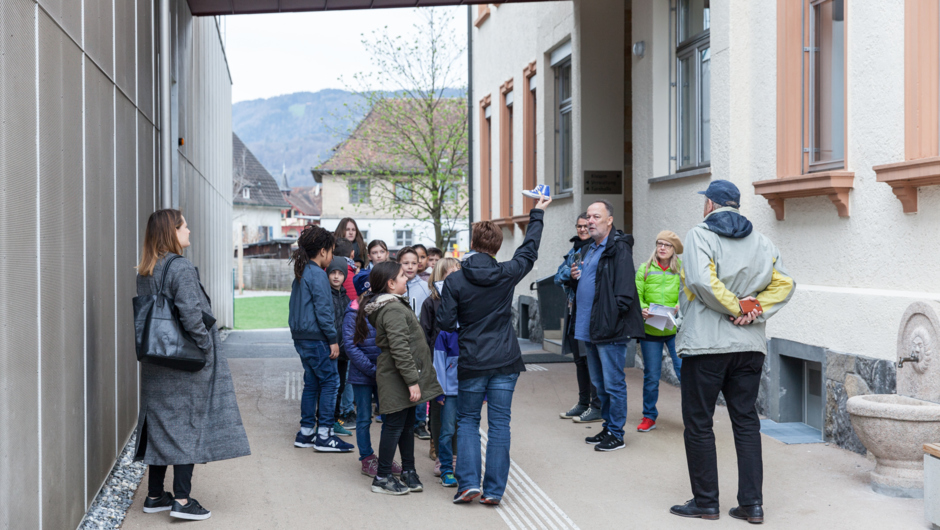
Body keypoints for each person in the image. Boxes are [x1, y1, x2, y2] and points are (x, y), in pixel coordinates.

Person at [669, 180, 794, 523]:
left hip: (707, 346)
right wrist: (755, 310)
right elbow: (784, 283)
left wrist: (735, 306)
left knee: (698, 423)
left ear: (709, 204)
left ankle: (706, 502)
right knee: (746, 423)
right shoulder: (762, 241)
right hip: (749, 347)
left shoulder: (699, 235)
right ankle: (752, 505)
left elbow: (700, 280)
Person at [134, 209, 250, 522]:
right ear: (172, 232)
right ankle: (183, 500)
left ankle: (156, 495)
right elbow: (190, 314)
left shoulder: (146, 269)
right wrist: (205, 345)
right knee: (187, 424)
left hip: (157, 359)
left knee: (161, 424)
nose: (189, 230)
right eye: (184, 226)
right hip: (184, 361)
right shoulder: (180, 267)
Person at [439, 194, 552, 505]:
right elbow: (529, 251)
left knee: (468, 420)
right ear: (497, 246)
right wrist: (537, 213)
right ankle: (494, 490)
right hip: (505, 359)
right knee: (500, 423)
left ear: (472, 242)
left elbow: (446, 324)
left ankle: (468, 484)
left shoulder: (455, 281)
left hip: (473, 360)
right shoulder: (506, 273)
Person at [357, 261, 444, 495]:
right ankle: (383, 477)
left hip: (401, 376)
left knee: (406, 426)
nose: (407, 278)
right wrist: (412, 381)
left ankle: (407, 470)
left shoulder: (394, 304)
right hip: (398, 378)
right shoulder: (393, 309)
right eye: (402, 276)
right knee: (394, 427)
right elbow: (400, 348)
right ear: (390, 283)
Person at [570, 200, 644, 453]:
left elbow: (624, 293)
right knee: (600, 385)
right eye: (588, 217)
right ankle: (609, 426)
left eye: (596, 217)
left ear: (609, 220)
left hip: (609, 329)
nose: (590, 221)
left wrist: (611, 321)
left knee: (613, 384)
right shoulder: (590, 249)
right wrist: (574, 278)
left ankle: (617, 433)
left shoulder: (618, 248)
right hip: (589, 328)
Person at [289, 225, 354, 453]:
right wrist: (332, 340)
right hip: (317, 338)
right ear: (323, 251)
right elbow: (324, 311)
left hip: (302, 338)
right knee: (331, 382)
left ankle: (306, 433)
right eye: (332, 252)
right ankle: (325, 435)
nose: (333, 257)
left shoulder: (302, 272)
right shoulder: (318, 275)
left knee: (312, 383)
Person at [344, 272, 403, 478]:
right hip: (363, 376)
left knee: (388, 417)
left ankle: (385, 458)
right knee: (363, 419)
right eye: (368, 291)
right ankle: (367, 458)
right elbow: (350, 347)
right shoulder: (352, 313)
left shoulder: (384, 310)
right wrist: (372, 370)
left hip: (383, 375)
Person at [635, 230, 684, 433]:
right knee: (652, 376)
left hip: (675, 330)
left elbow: (688, 294)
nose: (662, 247)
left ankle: (693, 417)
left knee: (685, 373)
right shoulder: (644, 269)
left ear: (674, 250)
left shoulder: (681, 270)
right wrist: (642, 309)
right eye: (659, 243)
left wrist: (680, 306)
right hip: (651, 330)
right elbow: (636, 294)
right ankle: (649, 416)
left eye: (667, 245)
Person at [554, 213, 601, 423]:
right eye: (579, 226)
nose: (582, 229)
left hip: (590, 314)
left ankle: (596, 405)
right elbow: (558, 276)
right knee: (579, 361)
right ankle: (583, 403)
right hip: (574, 312)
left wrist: (572, 275)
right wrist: (569, 275)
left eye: (586, 226)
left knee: (591, 361)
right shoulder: (574, 251)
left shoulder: (596, 249)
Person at [420, 257, 462, 484]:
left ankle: (455, 456)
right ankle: (440, 453)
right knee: (438, 413)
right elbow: (424, 336)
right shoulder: (430, 303)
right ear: (439, 276)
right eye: (450, 272)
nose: (455, 274)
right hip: (437, 365)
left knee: (457, 416)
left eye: (458, 270)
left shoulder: (464, 299)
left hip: (457, 366)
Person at [326, 257, 354, 437]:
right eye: (333, 273)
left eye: (340, 273)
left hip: (343, 351)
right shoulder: (325, 295)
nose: (336, 277)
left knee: (340, 386)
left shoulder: (346, 298)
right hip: (329, 350)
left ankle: (335, 420)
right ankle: (325, 421)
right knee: (329, 386)